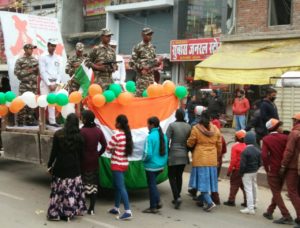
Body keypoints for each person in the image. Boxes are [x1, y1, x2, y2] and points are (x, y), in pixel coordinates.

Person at [47, 113, 87, 221]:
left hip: (60, 167)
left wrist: (49, 165)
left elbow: (54, 152)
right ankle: (68, 213)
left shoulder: (58, 134)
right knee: (71, 191)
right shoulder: (79, 136)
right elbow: (82, 155)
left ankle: (55, 213)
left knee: (59, 191)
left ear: (66, 122)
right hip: (74, 168)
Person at [187, 111, 222, 212]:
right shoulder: (215, 129)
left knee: (202, 182)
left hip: (200, 158)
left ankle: (209, 202)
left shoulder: (196, 128)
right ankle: (201, 199)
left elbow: (191, 142)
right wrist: (217, 155)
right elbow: (219, 145)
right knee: (208, 181)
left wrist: (188, 144)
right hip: (212, 159)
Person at [261, 118, 293, 225]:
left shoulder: (266, 139)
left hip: (273, 169)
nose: (281, 127)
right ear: (275, 127)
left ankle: (286, 215)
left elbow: (264, 156)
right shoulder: (286, 137)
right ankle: (269, 211)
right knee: (277, 191)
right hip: (284, 168)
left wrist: (266, 168)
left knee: (276, 192)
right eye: (279, 125)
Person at [80, 110, 107, 215]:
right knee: (93, 185)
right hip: (94, 161)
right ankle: (91, 208)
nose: (81, 119)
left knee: (82, 184)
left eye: (82, 117)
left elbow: (79, 147)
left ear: (86, 119)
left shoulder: (82, 131)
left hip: (83, 162)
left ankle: (82, 206)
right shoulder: (98, 131)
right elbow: (104, 145)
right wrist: (98, 154)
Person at [107, 115, 133, 220]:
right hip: (124, 164)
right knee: (118, 186)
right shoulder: (128, 135)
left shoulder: (117, 135)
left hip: (116, 164)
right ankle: (116, 207)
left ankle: (128, 211)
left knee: (121, 187)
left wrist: (113, 150)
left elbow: (108, 149)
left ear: (118, 124)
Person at [142, 116, 168, 214]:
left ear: (152, 125)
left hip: (151, 166)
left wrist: (143, 160)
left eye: (148, 124)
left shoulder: (150, 137)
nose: (147, 126)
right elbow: (166, 151)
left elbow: (147, 154)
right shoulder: (163, 136)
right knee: (153, 185)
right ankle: (157, 201)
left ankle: (153, 207)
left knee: (152, 186)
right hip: (161, 165)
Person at [166, 109, 191, 209]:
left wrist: (168, 151)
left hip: (173, 154)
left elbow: (166, 139)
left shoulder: (172, 125)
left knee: (171, 176)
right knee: (179, 175)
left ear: (176, 116)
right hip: (184, 154)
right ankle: (178, 196)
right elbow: (191, 141)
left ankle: (177, 197)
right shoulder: (188, 126)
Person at [280, 113, 300, 228]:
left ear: (296, 121)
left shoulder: (294, 133)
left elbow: (289, 151)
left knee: (292, 192)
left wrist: (283, 165)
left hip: (293, 167)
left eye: (294, 120)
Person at [129, 27, 160, 97]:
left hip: (151, 78)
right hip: (141, 79)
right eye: (148, 34)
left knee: (150, 98)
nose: (150, 36)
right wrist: (141, 68)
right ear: (143, 35)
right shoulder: (137, 47)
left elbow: (154, 60)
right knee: (141, 98)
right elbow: (131, 63)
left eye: (151, 34)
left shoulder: (152, 47)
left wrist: (157, 63)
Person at [39, 38, 62, 127]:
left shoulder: (57, 57)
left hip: (55, 83)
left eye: (55, 46)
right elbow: (42, 72)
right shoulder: (43, 56)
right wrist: (49, 84)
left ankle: (52, 121)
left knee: (52, 103)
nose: (53, 47)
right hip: (45, 83)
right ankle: (42, 121)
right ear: (48, 45)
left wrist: (56, 83)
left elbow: (59, 72)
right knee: (43, 102)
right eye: (52, 45)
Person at [14, 43, 39, 126]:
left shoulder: (35, 60)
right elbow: (17, 73)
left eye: (32, 49)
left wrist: (37, 70)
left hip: (33, 85)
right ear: (25, 49)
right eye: (30, 48)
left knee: (31, 103)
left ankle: (30, 121)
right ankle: (20, 121)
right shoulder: (20, 60)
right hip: (24, 85)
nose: (31, 50)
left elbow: (38, 73)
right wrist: (30, 70)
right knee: (22, 103)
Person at [223, 130, 247, 207]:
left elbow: (233, 160)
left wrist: (229, 171)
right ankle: (247, 201)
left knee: (234, 185)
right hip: (245, 170)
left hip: (237, 169)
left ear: (237, 138)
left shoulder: (235, 147)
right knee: (244, 186)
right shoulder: (246, 146)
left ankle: (231, 200)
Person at [239, 131, 261, 215]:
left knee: (248, 189)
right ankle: (255, 203)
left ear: (246, 140)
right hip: (254, 171)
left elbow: (242, 164)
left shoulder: (245, 151)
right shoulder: (257, 150)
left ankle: (250, 208)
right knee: (254, 187)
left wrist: (241, 173)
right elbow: (260, 163)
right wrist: (256, 168)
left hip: (246, 173)